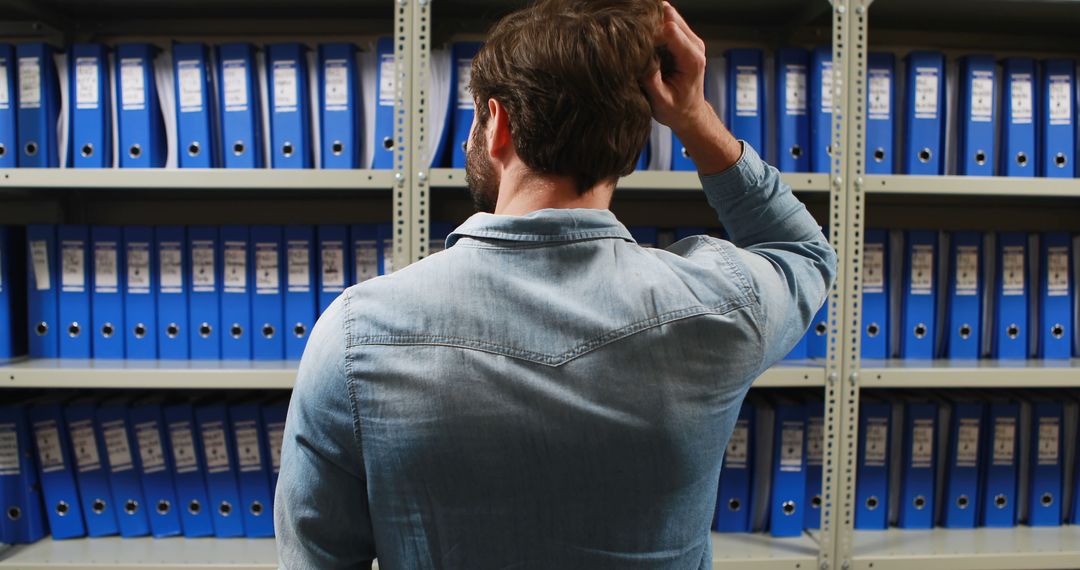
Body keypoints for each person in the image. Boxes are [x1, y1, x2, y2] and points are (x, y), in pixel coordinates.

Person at [274, 0, 836, 568]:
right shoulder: (720, 307)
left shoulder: (355, 337)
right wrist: (694, 117)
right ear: (631, 141)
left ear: (499, 125)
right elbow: (804, 252)